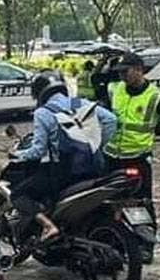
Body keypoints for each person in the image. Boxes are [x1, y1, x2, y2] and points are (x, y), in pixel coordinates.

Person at [10, 70, 117, 242]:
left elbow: (38, 150)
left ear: (39, 93)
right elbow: (111, 120)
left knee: (17, 195)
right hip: (95, 168)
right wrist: (96, 145)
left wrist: (17, 154)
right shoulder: (81, 103)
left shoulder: (43, 113)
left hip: (61, 173)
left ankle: (48, 226)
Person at [103, 52, 160, 226]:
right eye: (120, 72)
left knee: (143, 202)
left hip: (137, 158)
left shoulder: (156, 95)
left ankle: (146, 242)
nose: (122, 76)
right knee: (108, 201)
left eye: (126, 72)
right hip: (111, 156)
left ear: (139, 70)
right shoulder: (114, 89)